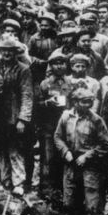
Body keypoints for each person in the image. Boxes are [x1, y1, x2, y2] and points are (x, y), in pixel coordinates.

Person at [54, 87, 108, 215]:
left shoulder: (96, 120)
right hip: (70, 165)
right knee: (69, 202)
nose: (88, 105)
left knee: (93, 205)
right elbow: (58, 137)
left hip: (91, 168)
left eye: (90, 102)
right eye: (84, 102)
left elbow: (106, 145)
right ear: (75, 102)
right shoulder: (66, 117)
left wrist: (87, 156)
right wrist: (65, 151)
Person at [0, 38, 33, 193]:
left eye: (10, 51)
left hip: (14, 117)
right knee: (0, 149)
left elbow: (27, 95)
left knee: (15, 150)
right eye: (3, 50)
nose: (6, 53)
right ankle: (5, 180)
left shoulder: (23, 69)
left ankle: (19, 182)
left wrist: (23, 119)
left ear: (15, 52)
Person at [36, 51, 76, 203]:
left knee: (64, 157)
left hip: (66, 127)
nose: (59, 66)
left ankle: (62, 190)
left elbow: (75, 102)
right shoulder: (45, 84)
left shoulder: (71, 83)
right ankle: (46, 190)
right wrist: (47, 103)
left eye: (62, 63)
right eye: (55, 63)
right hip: (49, 126)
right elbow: (37, 105)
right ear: (51, 66)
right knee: (48, 157)